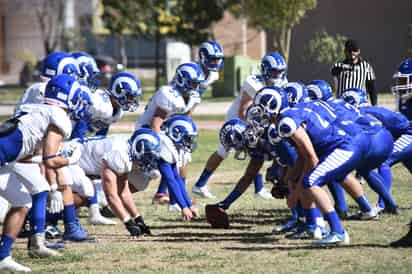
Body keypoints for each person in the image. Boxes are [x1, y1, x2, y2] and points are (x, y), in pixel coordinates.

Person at [0, 74, 90, 271]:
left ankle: (6, 255)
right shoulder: (59, 117)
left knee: (26, 198)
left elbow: (22, 152)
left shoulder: (31, 108)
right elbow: (50, 160)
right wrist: (71, 159)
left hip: (5, 157)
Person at [192, 52, 288, 199]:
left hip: (260, 119)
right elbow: (243, 109)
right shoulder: (253, 82)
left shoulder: (282, 82)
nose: (278, 74)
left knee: (258, 151)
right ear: (265, 69)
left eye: (281, 71)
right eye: (275, 71)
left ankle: (259, 189)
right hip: (239, 118)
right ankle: (200, 184)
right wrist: (254, 129)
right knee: (224, 150)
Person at [331, 39, 377, 105]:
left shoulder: (366, 66)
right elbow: (334, 71)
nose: (352, 52)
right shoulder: (339, 65)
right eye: (349, 50)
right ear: (345, 51)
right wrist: (343, 68)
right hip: (343, 105)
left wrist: (374, 105)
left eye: (355, 50)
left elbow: (372, 88)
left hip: (360, 104)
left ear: (359, 51)